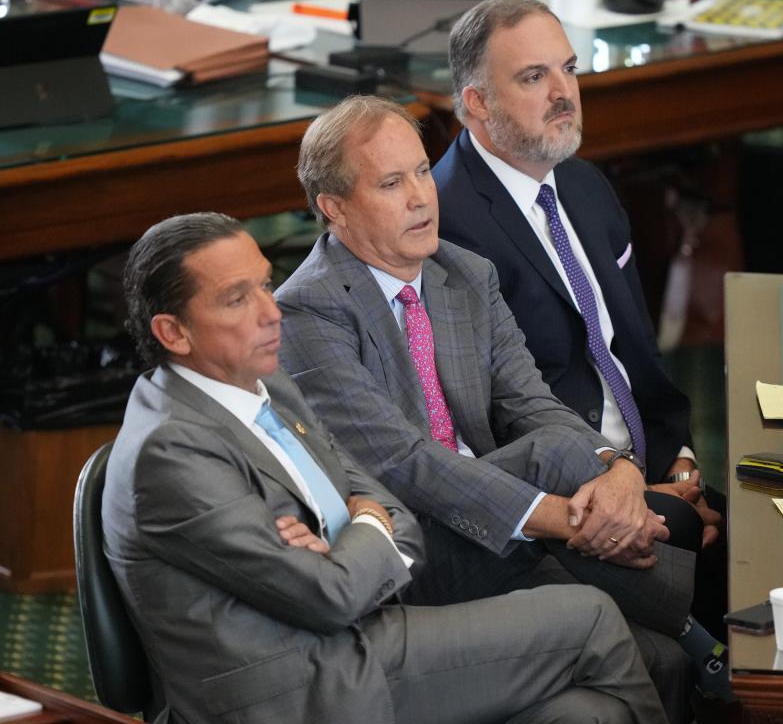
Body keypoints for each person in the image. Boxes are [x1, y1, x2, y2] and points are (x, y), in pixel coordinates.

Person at [102, 211, 667, 724]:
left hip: (362, 629)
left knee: (587, 712)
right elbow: (332, 592)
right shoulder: (168, 451)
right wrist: (363, 524)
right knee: (590, 617)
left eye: (266, 286)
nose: (271, 313)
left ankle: (699, 639)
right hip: (306, 686)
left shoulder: (263, 381)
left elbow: (390, 509)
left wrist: (352, 529)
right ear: (172, 332)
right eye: (236, 300)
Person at [275, 94, 732, 713]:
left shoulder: (463, 274)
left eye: (420, 170)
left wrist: (618, 470)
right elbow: (407, 464)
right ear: (334, 208)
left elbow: (536, 405)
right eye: (390, 183)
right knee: (567, 468)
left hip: (500, 532)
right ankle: (713, 641)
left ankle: (697, 646)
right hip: (410, 553)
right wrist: (566, 518)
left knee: (655, 664)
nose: (421, 195)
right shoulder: (310, 310)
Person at [431, 0, 727, 640]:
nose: (565, 92)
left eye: (568, 69)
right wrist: (632, 493)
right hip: (570, 494)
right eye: (535, 77)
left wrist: (678, 464)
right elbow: (493, 416)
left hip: (646, 465)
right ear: (477, 102)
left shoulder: (586, 185)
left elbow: (635, 356)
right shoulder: (445, 224)